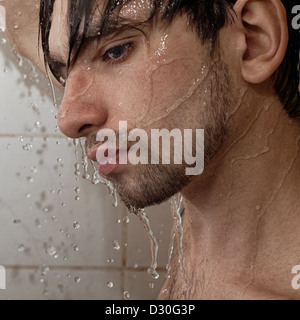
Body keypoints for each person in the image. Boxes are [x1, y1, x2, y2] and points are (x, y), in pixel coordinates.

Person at [2, 0, 300, 300]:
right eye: (66, 75)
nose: (67, 118)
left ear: (252, 40)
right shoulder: (200, 180)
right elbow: (23, 15)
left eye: (116, 51)